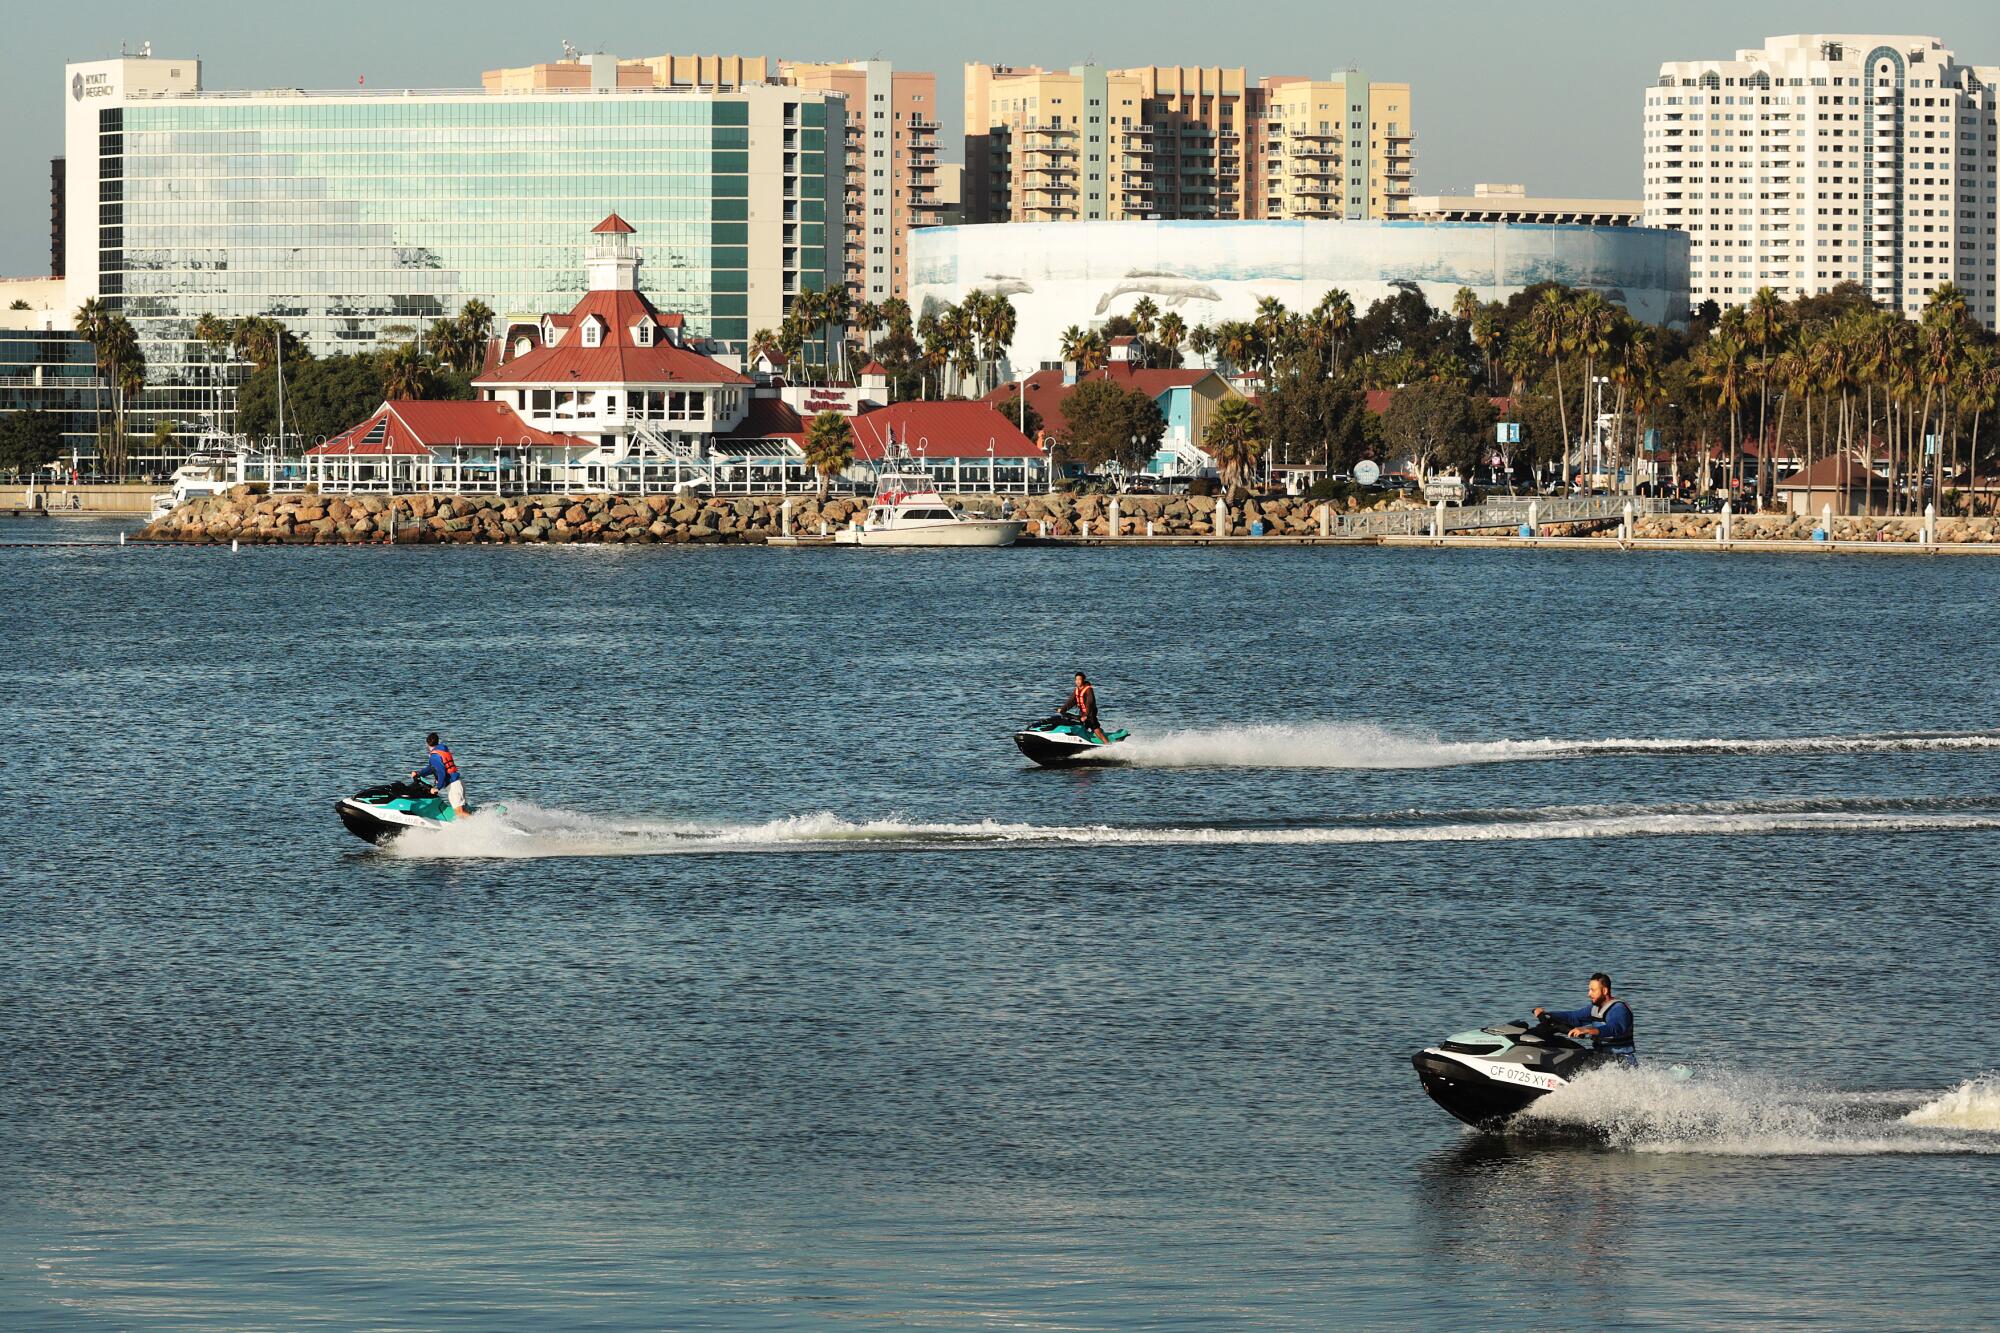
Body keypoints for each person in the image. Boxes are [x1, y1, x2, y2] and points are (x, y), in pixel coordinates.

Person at [1535, 972, 1636, 1067]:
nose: (1589, 994)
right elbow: (1573, 1017)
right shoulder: (1594, 1008)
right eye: (1589, 990)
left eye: (1593, 990)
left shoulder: (1618, 1009)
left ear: (1604, 991)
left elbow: (1615, 1028)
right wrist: (1547, 1014)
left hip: (1622, 1060)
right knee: (1570, 1055)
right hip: (1602, 1056)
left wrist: (1588, 1030)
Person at [413, 732, 469, 818]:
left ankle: (482, 827)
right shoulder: (443, 750)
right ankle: (471, 827)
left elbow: (441, 772)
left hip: (453, 786)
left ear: (427, 744)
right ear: (438, 741)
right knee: (463, 811)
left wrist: (437, 788)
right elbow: (431, 768)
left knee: (460, 813)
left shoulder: (434, 756)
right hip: (459, 783)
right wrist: (419, 773)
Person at [1063, 671, 1108, 744]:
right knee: (1080, 729)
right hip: (1082, 715)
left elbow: (1090, 702)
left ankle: (1108, 745)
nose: (1077, 681)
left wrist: (1086, 715)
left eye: (1079, 679)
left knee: (1096, 731)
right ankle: (1083, 743)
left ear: (1083, 680)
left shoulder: (1088, 689)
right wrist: (1062, 709)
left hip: (1090, 714)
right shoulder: (1077, 690)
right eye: (1076, 679)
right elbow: (1071, 701)